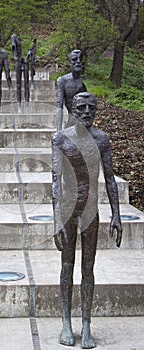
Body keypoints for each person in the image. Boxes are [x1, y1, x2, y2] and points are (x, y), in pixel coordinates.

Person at [52, 92, 122, 348]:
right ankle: (66, 323)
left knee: (88, 269)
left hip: (91, 210)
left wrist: (116, 213)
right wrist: (56, 219)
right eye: (81, 108)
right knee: (67, 266)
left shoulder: (101, 139)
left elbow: (111, 177)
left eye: (91, 108)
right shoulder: (60, 138)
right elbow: (55, 180)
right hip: (68, 211)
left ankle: (86, 325)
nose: (86, 112)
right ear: (72, 109)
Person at [57, 49, 87, 130]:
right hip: (71, 121)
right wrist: (58, 129)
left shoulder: (82, 84)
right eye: (74, 59)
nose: (78, 62)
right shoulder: (62, 80)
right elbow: (59, 106)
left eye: (80, 59)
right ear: (70, 63)